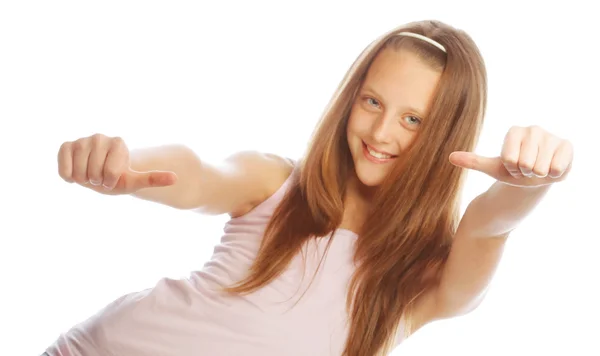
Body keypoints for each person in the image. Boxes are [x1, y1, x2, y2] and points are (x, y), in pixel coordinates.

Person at [44, 19, 573, 356]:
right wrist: (122, 165)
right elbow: (200, 172)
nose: (381, 133)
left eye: (414, 120)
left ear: (444, 136)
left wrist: (531, 182)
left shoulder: (428, 277)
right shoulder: (278, 183)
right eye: (372, 102)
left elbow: (490, 225)